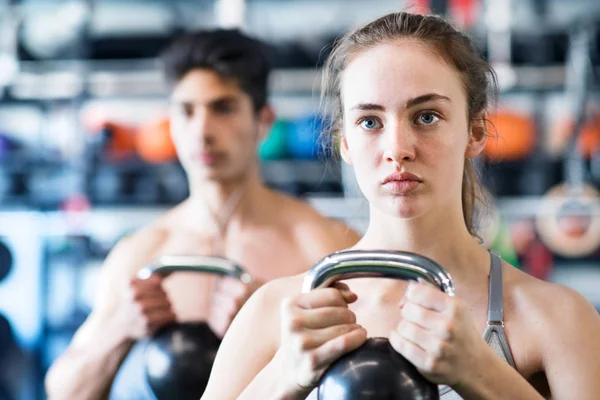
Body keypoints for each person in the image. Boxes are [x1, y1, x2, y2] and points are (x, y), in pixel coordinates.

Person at [201, 12, 600, 400]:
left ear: (475, 131)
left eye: (426, 117)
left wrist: (482, 374)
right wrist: (282, 376)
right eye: (370, 122)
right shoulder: (275, 312)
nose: (398, 150)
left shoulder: (559, 319)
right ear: (345, 143)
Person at [44, 29, 360, 400]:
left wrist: (266, 329)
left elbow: (365, 384)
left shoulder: (325, 247)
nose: (202, 130)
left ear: (264, 121)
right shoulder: (142, 254)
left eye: (222, 108)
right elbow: (63, 393)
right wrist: (118, 328)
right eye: (186, 110)